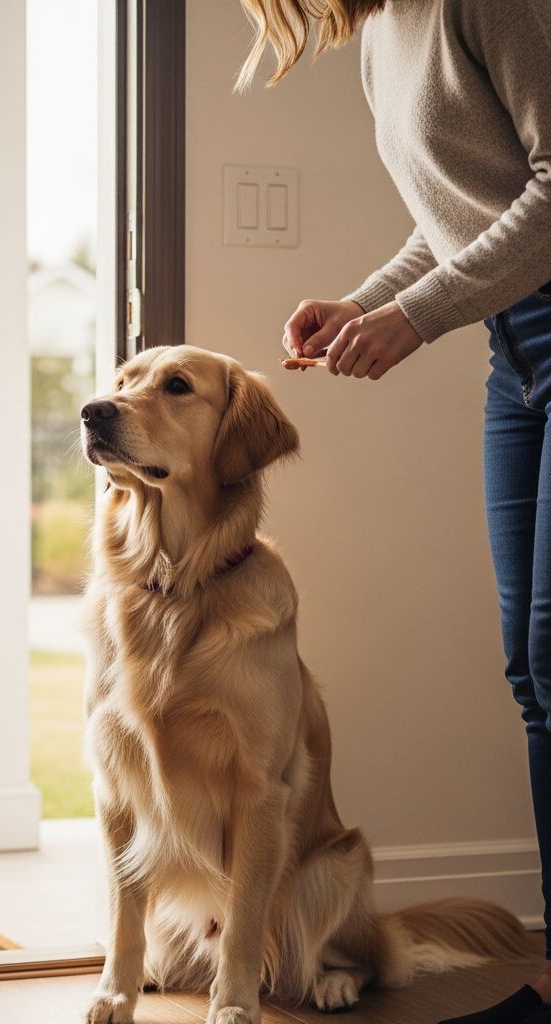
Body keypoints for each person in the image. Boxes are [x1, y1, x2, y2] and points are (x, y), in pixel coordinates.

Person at [236, 2, 551, 1023]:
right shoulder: (380, 29)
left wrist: (414, 319)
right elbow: (460, 211)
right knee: (531, 669)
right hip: (517, 352)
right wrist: (365, 304)